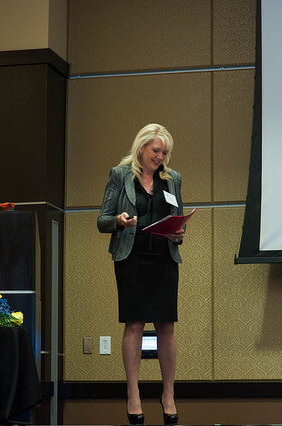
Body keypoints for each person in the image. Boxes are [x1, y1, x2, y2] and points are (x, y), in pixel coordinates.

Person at [97, 123, 185, 425]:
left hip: (164, 257)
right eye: (155, 151)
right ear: (141, 148)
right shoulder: (120, 175)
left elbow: (178, 221)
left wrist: (178, 234)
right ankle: (133, 394)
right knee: (134, 324)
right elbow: (102, 220)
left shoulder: (173, 179)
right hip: (131, 257)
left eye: (164, 152)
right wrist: (119, 221)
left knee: (166, 326)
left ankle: (168, 394)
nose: (160, 157)